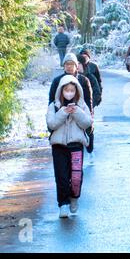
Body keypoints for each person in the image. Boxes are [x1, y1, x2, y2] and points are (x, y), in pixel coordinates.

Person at [46, 74, 93, 218]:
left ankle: (74, 198)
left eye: (72, 90)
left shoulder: (81, 105)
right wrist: (63, 112)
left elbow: (87, 123)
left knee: (76, 176)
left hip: (76, 145)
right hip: (59, 146)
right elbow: (51, 124)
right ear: (61, 91)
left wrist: (77, 112)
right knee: (61, 176)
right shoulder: (54, 106)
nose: (69, 93)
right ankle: (63, 204)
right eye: (66, 90)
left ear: (77, 91)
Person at [77, 54, 102, 154]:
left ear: (83, 64)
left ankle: (89, 145)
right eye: (76, 63)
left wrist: (91, 104)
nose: (77, 66)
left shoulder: (90, 77)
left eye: (79, 63)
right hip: (75, 108)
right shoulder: (71, 77)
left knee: (88, 126)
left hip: (88, 106)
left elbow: (97, 92)